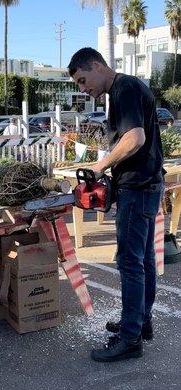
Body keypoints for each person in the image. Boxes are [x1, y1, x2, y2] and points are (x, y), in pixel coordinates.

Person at [68, 47, 164, 362]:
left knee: (130, 263)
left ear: (97, 65)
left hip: (137, 187)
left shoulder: (123, 88)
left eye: (83, 80)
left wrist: (100, 167)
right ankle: (140, 322)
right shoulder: (128, 87)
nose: (83, 88)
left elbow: (134, 138)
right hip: (145, 184)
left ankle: (130, 338)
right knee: (143, 260)